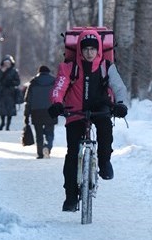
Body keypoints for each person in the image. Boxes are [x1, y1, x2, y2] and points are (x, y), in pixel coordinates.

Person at [48, 30, 129, 212]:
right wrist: (56, 103)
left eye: (93, 49)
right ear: (79, 50)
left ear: (99, 50)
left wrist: (121, 104)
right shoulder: (69, 67)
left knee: (105, 129)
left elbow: (118, 87)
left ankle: (104, 161)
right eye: (86, 49)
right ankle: (70, 196)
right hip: (75, 111)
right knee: (71, 154)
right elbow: (59, 87)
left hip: (100, 108)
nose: (89, 53)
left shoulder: (106, 66)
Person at [24, 65, 57, 159]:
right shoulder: (54, 81)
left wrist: (26, 115)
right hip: (51, 110)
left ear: (39, 72)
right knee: (50, 132)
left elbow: (28, 100)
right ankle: (47, 147)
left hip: (36, 111)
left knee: (39, 134)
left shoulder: (33, 82)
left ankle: (40, 153)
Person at [0, 55, 20, 131]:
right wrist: (1, 72)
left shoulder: (14, 71)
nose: (7, 64)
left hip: (11, 93)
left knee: (10, 111)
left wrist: (11, 82)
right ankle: (2, 122)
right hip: (2, 93)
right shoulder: (1, 71)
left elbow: (18, 82)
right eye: (5, 63)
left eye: (8, 63)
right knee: (2, 110)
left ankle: (8, 125)